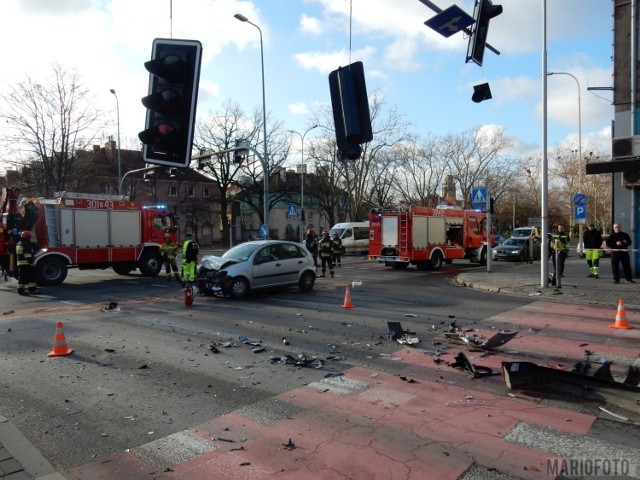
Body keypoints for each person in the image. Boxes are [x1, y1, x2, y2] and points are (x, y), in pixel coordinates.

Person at [16, 230, 39, 295]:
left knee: (22, 278)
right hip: (26, 263)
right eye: (29, 237)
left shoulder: (19, 243)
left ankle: (20, 291)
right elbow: (27, 254)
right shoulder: (26, 243)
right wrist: (31, 262)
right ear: (27, 237)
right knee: (31, 277)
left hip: (20, 263)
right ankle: (32, 290)